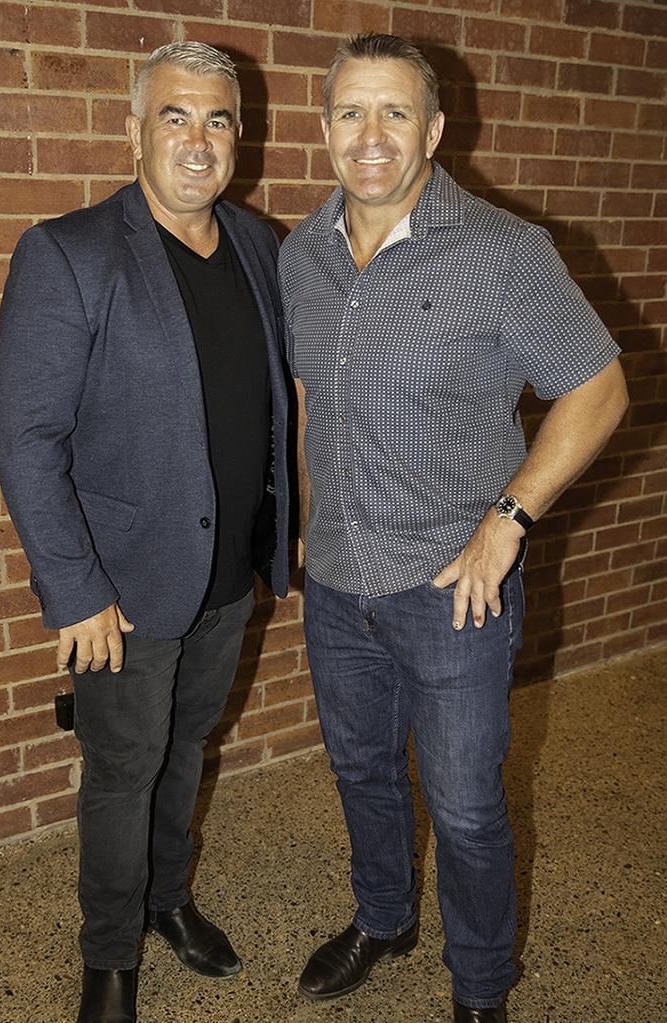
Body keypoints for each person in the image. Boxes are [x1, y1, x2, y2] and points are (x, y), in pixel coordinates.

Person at [278, 33, 628, 1023]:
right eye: (351, 111)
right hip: (340, 585)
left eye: (395, 112)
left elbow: (597, 392)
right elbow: (316, 398)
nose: (371, 134)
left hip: (454, 587)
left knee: (468, 806)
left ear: (434, 129)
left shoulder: (504, 253)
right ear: (327, 128)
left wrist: (508, 523)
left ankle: (480, 989)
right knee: (361, 770)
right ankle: (384, 919)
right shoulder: (301, 255)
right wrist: (309, 525)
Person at [0, 41, 289, 1023]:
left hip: (228, 574)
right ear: (134, 128)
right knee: (123, 771)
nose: (198, 140)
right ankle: (109, 956)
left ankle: (169, 901)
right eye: (175, 116)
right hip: (120, 586)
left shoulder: (258, 245)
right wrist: (75, 592)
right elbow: (24, 435)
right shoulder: (69, 252)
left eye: (218, 120)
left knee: (188, 745)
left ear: (237, 137)